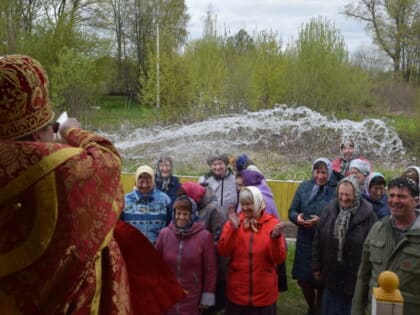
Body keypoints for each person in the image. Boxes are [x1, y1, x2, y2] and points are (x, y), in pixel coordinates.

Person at [0, 55, 185, 314]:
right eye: (47, 129)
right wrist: (71, 130)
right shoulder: (56, 171)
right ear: (35, 137)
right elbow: (107, 159)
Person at [351, 177, 420, 315]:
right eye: (392, 195)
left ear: (416, 201)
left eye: (401, 196)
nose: (394, 201)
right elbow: (363, 276)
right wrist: (357, 311)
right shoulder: (378, 229)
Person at [312, 176, 377, 315]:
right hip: (331, 277)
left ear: (356, 194)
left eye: (348, 195)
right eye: (341, 194)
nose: (343, 198)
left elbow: (374, 248)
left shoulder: (368, 216)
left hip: (354, 280)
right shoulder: (329, 210)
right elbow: (318, 239)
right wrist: (316, 266)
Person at [218, 186, 287, 315]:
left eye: (249, 204)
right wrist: (233, 229)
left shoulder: (271, 224)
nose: (244, 208)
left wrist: (275, 239)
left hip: (264, 295)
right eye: (242, 204)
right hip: (238, 293)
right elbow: (224, 252)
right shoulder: (235, 222)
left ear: (258, 202)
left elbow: (279, 259)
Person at [288, 158, 337, 315]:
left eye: (324, 172)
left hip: (326, 241)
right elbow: (292, 211)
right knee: (304, 279)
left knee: (322, 279)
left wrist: (321, 221)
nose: (320, 176)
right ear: (313, 171)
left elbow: (339, 215)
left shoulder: (335, 190)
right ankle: (312, 307)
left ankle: (319, 308)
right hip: (305, 239)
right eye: (317, 172)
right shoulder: (304, 187)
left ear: (329, 172)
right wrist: (298, 219)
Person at [156, 196, 217, 315]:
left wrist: (207, 296)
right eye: (178, 213)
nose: (181, 217)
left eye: (186, 214)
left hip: (193, 297)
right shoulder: (164, 234)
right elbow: (156, 266)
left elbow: (210, 270)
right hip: (169, 295)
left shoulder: (204, 237)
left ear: (193, 215)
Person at [178, 181, 227, 314]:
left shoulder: (215, 209)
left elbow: (222, 239)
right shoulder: (198, 207)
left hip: (215, 265)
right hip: (198, 265)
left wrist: (202, 247)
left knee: (210, 306)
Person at [121, 165, 171, 244]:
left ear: (153, 182)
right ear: (135, 182)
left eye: (148, 182)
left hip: (156, 251)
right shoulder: (125, 201)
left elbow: (170, 226)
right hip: (132, 250)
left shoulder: (165, 200)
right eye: (141, 182)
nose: (144, 186)